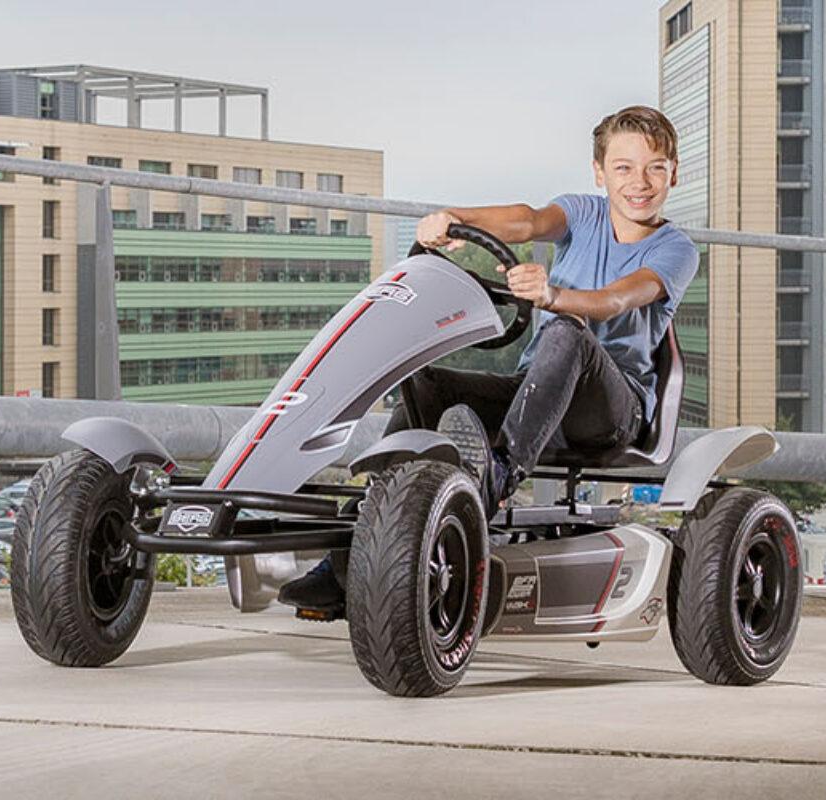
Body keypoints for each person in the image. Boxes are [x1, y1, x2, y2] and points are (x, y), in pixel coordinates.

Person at [279, 105, 701, 616]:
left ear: (673, 173)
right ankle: (356, 545)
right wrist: (455, 220)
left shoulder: (676, 248)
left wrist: (553, 297)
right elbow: (526, 220)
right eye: (624, 167)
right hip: (539, 393)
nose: (640, 182)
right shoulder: (583, 214)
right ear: (600, 173)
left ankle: (494, 481)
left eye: (655, 167)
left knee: (569, 330)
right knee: (430, 386)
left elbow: (616, 299)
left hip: (612, 412)